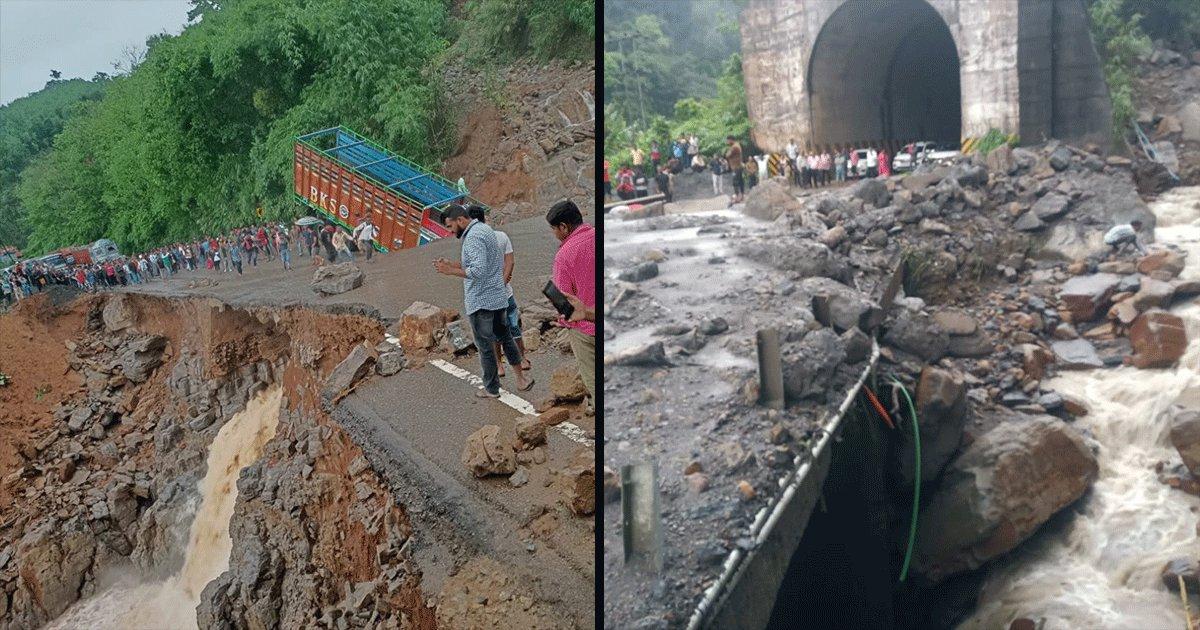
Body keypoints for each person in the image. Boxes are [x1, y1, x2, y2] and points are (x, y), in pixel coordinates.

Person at [433, 204, 531, 397]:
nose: (451, 231)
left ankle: (491, 389)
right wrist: (452, 264)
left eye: (450, 226)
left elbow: (478, 271)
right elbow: (481, 262)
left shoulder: (473, 238)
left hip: (481, 301)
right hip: (497, 296)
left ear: (460, 220)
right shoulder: (485, 229)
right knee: (506, 338)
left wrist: (450, 271)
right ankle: (521, 379)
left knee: (485, 347)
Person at [467, 206, 532, 378]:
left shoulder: (472, 243)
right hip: (505, 293)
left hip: (487, 299)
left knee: (494, 333)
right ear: (484, 219)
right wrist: (502, 282)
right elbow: (510, 262)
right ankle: (523, 360)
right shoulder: (501, 236)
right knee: (513, 327)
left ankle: (499, 366)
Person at [547, 200, 596, 411]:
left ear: (564, 227)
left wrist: (563, 319)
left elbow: (563, 301)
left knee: (593, 376)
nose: (555, 234)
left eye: (554, 229)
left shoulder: (564, 256)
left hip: (585, 328)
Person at [725, 135, 744, 204]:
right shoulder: (737, 145)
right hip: (738, 166)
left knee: (735, 182)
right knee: (740, 181)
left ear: (731, 140)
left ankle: (738, 195)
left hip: (736, 167)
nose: (727, 142)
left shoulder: (734, 147)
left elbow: (727, 155)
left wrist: (728, 152)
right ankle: (741, 195)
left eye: (728, 140)